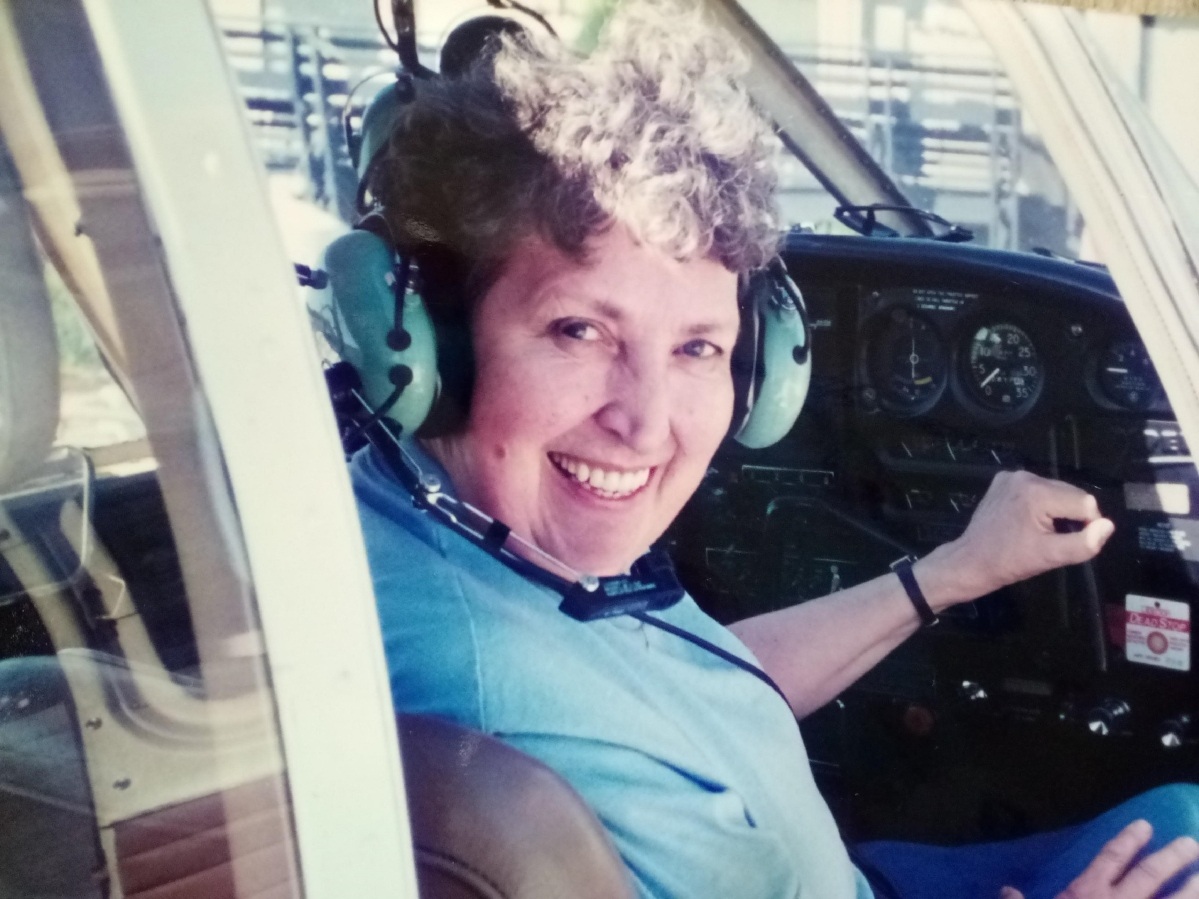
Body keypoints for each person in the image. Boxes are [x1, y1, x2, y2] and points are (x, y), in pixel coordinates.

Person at [350, 3, 1199, 897]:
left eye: (696, 348)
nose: (645, 424)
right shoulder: (489, 698)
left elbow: (692, 699)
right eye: (579, 329)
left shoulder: (446, 531)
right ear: (431, 336)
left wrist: (950, 572)